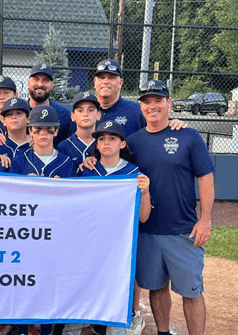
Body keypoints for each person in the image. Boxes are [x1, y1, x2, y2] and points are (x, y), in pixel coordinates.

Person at [125, 80, 215, 335]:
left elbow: (206, 177)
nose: (152, 106)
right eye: (146, 101)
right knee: (156, 287)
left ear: (169, 103)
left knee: (192, 291)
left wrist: (205, 218)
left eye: (158, 100)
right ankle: (163, 332)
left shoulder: (188, 136)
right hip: (148, 230)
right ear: (140, 106)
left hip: (183, 230)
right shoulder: (133, 142)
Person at [75, 119, 152, 335]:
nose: (106, 143)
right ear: (96, 145)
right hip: (91, 244)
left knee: (116, 294)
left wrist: (145, 192)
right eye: (102, 139)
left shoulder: (134, 174)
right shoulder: (87, 170)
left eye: (112, 138)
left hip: (120, 248)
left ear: (122, 144)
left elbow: (144, 217)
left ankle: (114, 327)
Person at [91, 59, 188, 138]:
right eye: (101, 77)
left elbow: (159, 129)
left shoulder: (138, 111)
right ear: (95, 82)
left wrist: (173, 124)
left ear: (120, 83)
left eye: (111, 78)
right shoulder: (84, 112)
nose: (106, 82)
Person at [9, 105, 74, 178]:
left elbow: (72, 189)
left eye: (48, 128)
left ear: (56, 131)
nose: (43, 133)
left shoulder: (66, 162)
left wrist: (60, 186)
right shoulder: (20, 161)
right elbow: (12, 188)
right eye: (38, 128)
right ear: (30, 131)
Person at [25, 63, 73, 145]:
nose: (40, 84)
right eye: (36, 79)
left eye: (45, 80)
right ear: (29, 82)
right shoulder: (18, 112)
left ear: (52, 85)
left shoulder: (64, 114)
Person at [57, 91, 101, 173]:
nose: (85, 114)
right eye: (80, 110)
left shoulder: (105, 144)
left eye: (90, 110)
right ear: (73, 116)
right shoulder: (63, 147)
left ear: (98, 115)